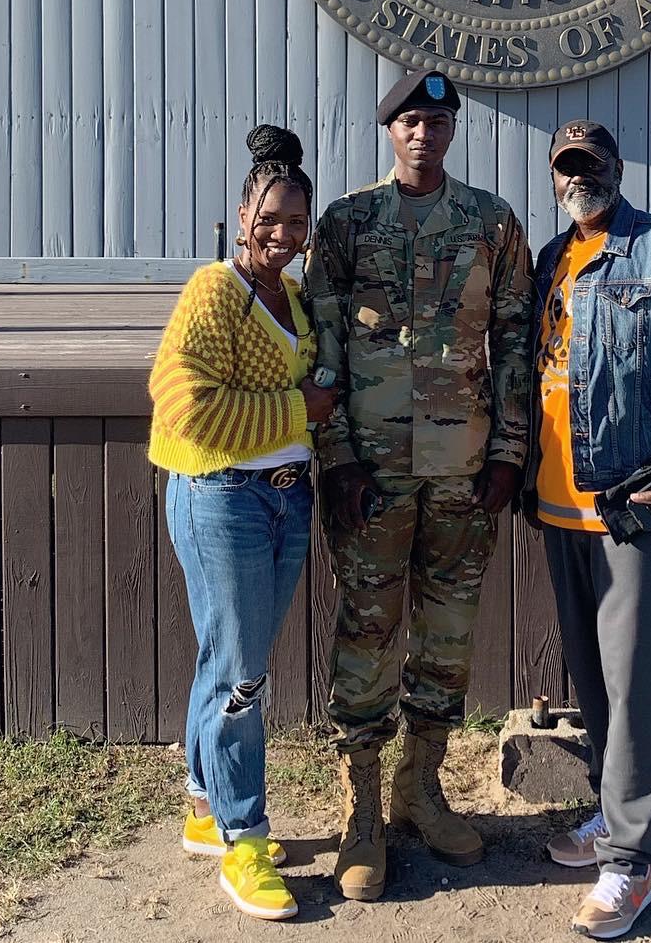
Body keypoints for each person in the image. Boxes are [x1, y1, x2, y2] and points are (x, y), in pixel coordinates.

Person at [304, 70, 533, 902]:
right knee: (368, 631)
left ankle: (420, 785)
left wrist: (509, 450)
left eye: (437, 121)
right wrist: (336, 458)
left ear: (452, 130)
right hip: (372, 468)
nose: (424, 133)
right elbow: (319, 347)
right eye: (410, 120)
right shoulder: (346, 224)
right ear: (388, 130)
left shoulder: (490, 223)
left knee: (448, 634)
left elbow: (515, 338)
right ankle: (361, 806)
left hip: (464, 471)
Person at [523, 120, 651, 941]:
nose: (580, 179)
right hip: (555, 503)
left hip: (631, 499)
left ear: (617, 169)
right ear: (553, 179)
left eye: (592, 166)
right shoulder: (550, 258)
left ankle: (633, 861)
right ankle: (615, 822)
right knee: (594, 679)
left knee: (635, 681)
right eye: (566, 168)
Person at [147, 125, 337, 922]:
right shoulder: (213, 291)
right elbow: (185, 402)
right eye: (270, 218)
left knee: (228, 656)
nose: (283, 234)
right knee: (243, 675)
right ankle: (243, 836)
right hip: (221, 492)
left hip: (287, 496)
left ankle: (203, 803)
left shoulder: (290, 296)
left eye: (297, 221)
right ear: (241, 212)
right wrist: (301, 407)